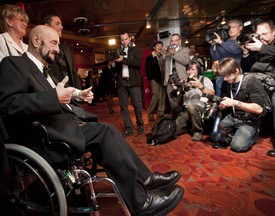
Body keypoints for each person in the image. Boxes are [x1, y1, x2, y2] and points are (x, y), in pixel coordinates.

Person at [0, 25, 184, 216]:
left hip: (62, 124)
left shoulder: (44, 69)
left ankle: (146, 180)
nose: (57, 49)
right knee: (105, 132)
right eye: (54, 43)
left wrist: (77, 95)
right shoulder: (13, 64)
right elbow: (8, 104)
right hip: (45, 137)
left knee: (108, 129)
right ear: (36, 40)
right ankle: (141, 203)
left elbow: (56, 92)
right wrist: (54, 98)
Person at [245, 19, 275, 158]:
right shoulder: (263, 45)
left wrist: (262, 48)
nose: (261, 37)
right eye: (259, 34)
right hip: (271, 79)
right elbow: (252, 66)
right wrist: (247, 52)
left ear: (274, 30)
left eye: (265, 33)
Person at [213, 57, 268, 152]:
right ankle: (235, 134)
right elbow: (224, 99)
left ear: (236, 71)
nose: (225, 79)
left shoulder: (252, 82)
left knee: (237, 146)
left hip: (249, 119)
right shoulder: (227, 83)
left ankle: (253, 133)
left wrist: (235, 102)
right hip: (233, 116)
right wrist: (222, 105)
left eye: (227, 76)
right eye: (223, 76)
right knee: (215, 137)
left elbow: (259, 109)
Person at [112, 30, 144, 137]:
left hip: (134, 82)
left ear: (129, 38)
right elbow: (117, 69)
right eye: (122, 40)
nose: (124, 41)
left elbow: (138, 63)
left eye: (126, 39)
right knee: (123, 107)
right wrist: (114, 63)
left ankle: (140, 124)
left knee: (137, 105)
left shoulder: (135, 50)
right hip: (122, 83)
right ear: (120, 40)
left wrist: (123, 60)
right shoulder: (118, 51)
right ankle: (128, 128)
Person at [175, 61, 215, 141]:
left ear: (198, 70)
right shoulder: (185, 82)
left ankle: (198, 131)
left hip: (200, 108)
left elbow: (212, 93)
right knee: (175, 130)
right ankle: (188, 127)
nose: (190, 72)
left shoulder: (204, 79)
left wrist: (201, 87)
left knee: (191, 107)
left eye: (193, 69)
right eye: (188, 70)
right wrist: (177, 90)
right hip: (186, 110)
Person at [43, 14, 82, 89]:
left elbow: (74, 73)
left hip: (72, 95)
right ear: (47, 26)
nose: (61, 27)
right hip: (54, 95)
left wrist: (79, 93)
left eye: (61, 24)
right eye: (57, 24)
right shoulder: (41, 48)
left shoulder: (67, 49)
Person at [210, 19, 243, 96]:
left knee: (235, 94)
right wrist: (213, 45)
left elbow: (236, 50)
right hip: (221, 73)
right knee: (221, 95)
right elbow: (215, 57)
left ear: (240, 27)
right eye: (229, 28)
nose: (230, 30)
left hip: (234, 73)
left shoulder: (241, 39)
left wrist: (221, 42)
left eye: (233, 27)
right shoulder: (225, 41)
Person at [163, 33, 190, 112]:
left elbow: (186, 61)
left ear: (180, 41)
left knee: (181, 99)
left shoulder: (185, 50)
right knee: (172, 100)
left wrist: (174, 53)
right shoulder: (167, 52)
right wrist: (163, 56)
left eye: (176, 40)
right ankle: (176, 119)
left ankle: (183, 119)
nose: (174, 42)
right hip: (169, 79)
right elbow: (160, 64)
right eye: (172, 41)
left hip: (180, 78)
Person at [145, 41, 166, 121]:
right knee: (155, 96)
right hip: (154, 79)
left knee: (162, 97)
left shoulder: (164, 56)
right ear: (154, 47)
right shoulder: (150, 58)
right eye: (158, 46)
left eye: (161, 45)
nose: (160, 47)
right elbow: (147, 70)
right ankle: (150, 113)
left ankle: (160, 113)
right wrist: (151, 78)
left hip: (163, 79)